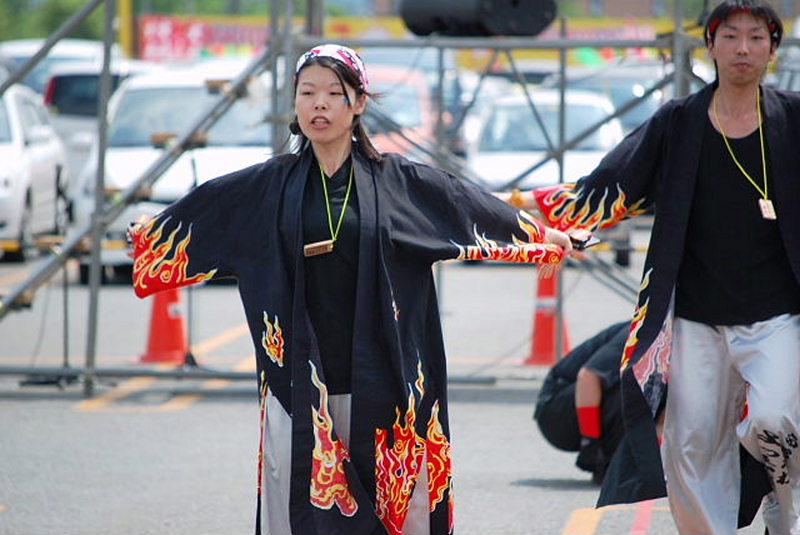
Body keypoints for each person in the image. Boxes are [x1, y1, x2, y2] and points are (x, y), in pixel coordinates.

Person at [129, 44, 574, 535]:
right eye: (307, 93)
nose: (319, 104)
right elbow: (207, 211)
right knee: (301, 509)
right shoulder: (267, 187)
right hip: (299, 385)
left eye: (333, 94)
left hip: (385, 381)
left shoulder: (399, 182)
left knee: (394, 511)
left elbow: (465, 207)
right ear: (295, 104)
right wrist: (153, 236)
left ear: (358, 103)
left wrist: (537, 236)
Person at [511, 2, 800, 533]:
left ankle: (781, 502)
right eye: (730, 36)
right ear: (710, 45)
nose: (742, 48)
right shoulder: (678, 122)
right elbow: (608, 186)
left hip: (776, 314)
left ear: (772, 49)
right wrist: (517, 206)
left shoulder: (793, 119)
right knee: (691, 445)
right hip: (694, 316)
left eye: (756, 37)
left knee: (776, 422)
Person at [534, 322, 628, 485]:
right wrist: (590, 443)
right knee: (634, 387)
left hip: (578, 400)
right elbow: (589, 376)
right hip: (556, 410)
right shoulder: (643, 329)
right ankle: (605, 461)